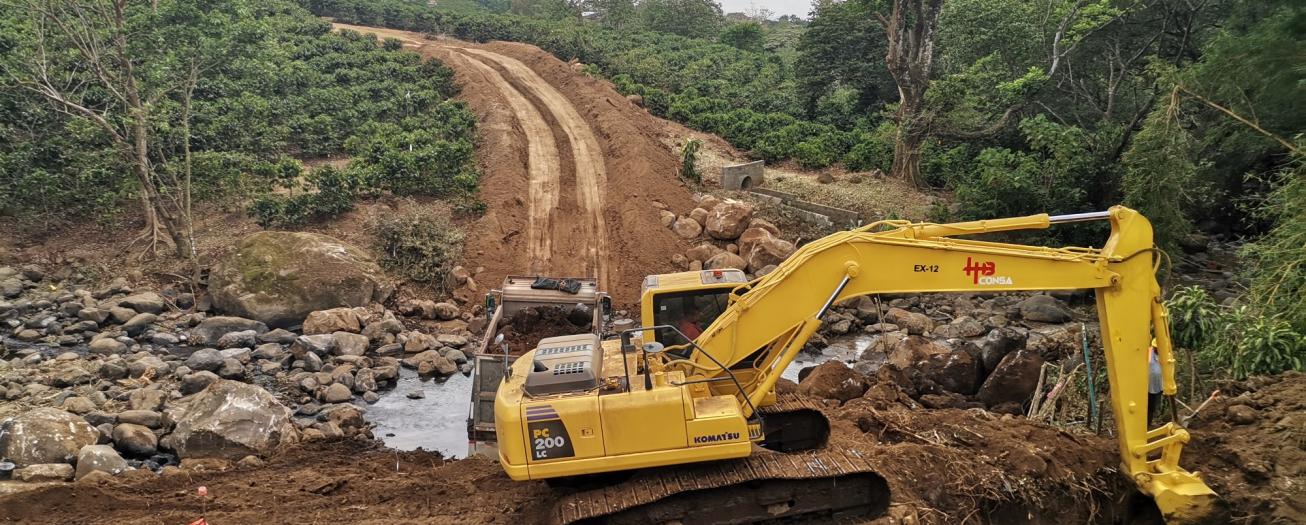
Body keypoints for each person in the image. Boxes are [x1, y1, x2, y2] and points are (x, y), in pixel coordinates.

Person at [1147, 339, 1163, 425]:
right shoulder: (1149, 352)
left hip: (1159, 384)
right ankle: (1145, 423)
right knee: (1146, 404)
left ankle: (1149, 422)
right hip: (1147, 384)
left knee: (1153, 405)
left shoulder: (1165, 354)